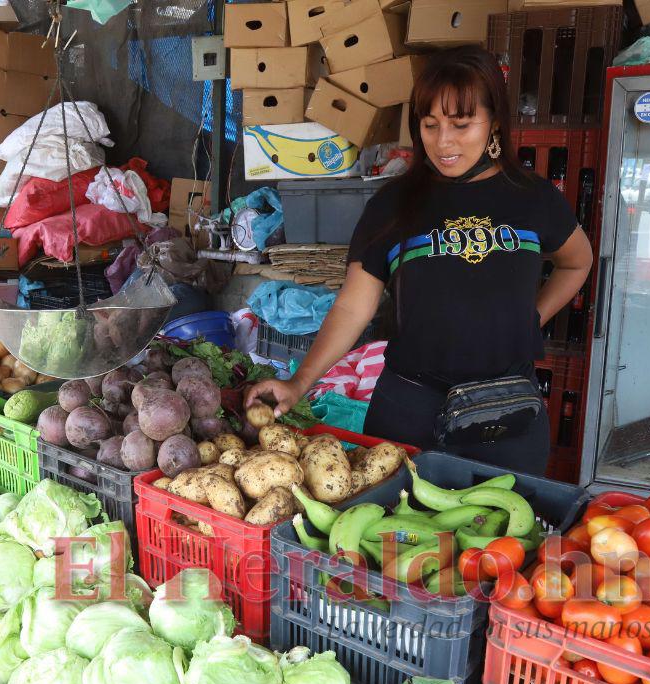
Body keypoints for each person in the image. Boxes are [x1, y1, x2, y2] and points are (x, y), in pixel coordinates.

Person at [246, 46, 593, 475]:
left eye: (461, 125)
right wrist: (299, 383)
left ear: (495, 123)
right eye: (430, 125)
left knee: (503, 539)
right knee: (394, 536)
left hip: (506, 415)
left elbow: (577, 262)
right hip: (409, 409)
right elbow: (354, 306)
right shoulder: (393, 205)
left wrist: (531, 316)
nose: (443, 142)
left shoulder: (533, 199)